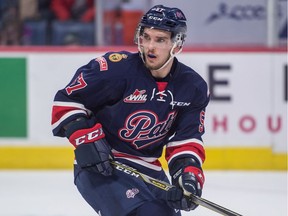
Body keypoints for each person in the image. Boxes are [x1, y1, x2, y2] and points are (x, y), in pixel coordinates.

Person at [51, 5, 210, 216]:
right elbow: (67, 101)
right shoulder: (115, 69)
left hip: (149, 169)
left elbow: (186, 140)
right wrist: (86, 139)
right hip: (105, 164)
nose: (150, 46)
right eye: (146, 37)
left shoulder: (192, 87)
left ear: (177, 44)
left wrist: (187, 177)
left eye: (160, 40)